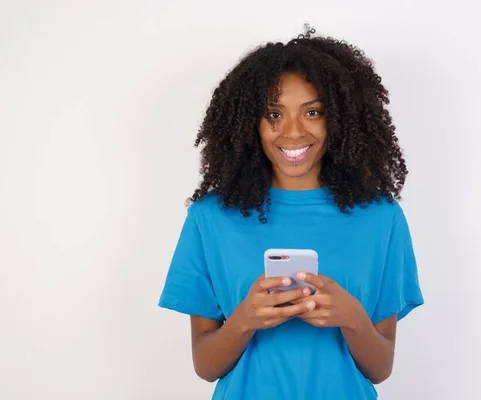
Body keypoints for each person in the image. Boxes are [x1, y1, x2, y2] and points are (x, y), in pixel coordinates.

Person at [158, 26, 424, 400]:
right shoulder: (211, 219)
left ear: (341, 119)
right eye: (274, 114)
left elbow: (380, 369)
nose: (293, 132)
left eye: (312, 112)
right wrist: (245, 320)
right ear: (250, 123)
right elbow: (206, 366)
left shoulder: (381, 219)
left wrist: (351, 316)